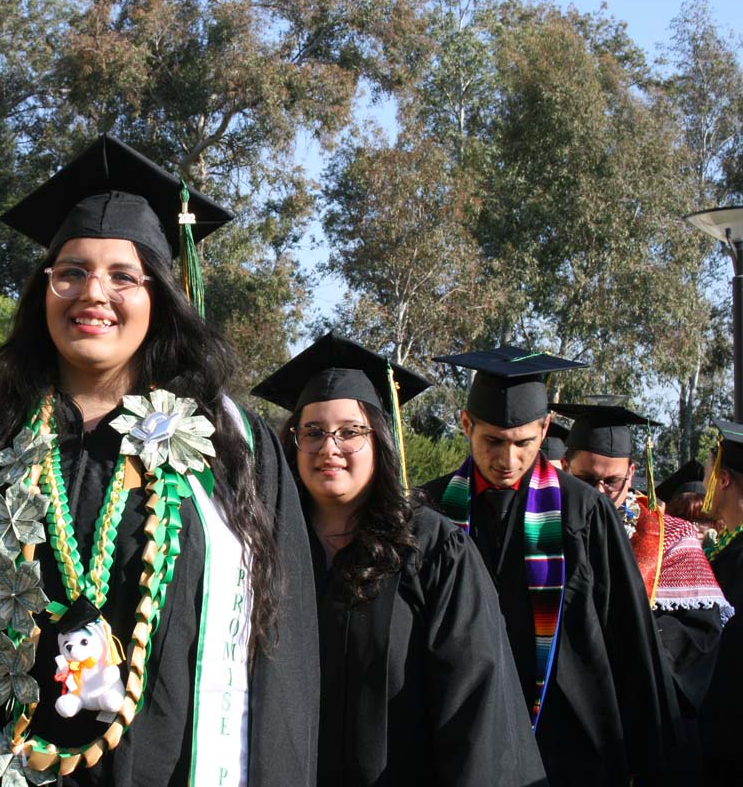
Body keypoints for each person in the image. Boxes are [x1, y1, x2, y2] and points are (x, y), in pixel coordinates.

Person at [0, 135, 319, 787]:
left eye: (124, 275)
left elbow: (280, 643)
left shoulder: (231, 444)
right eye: (70, 273)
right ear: (44, 292)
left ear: (161, 299)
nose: (94, 293)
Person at [251, 333, 545, 787]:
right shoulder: (260, 547)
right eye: (312, 432)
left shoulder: (432, 551)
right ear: (292, 443)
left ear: (380, 440)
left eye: (350, 431)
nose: (329, 447)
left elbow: (475, 708)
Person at [421, 346, 678, 785]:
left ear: (544, 429)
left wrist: (650, 755)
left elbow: (628, 635)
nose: (508, 460)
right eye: (493, 442)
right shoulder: (431, 511)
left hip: (568, 746)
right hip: (456, 738)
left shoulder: (583, 513)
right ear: (467, 424)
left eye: (523, 442)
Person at [553, 403, 729, 783]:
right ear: (565, 469)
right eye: (586, 480)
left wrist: (637, 647)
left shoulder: (671, 537)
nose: (599, 493)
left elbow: (700, 634)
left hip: (639, 715)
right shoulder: (542, 531)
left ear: (632, 473)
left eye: (611, 482)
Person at [698, 421, 743, 783]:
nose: (704, 482)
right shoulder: (729, 551)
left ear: (723, 479)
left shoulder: (737, 561)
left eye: (708, 471)